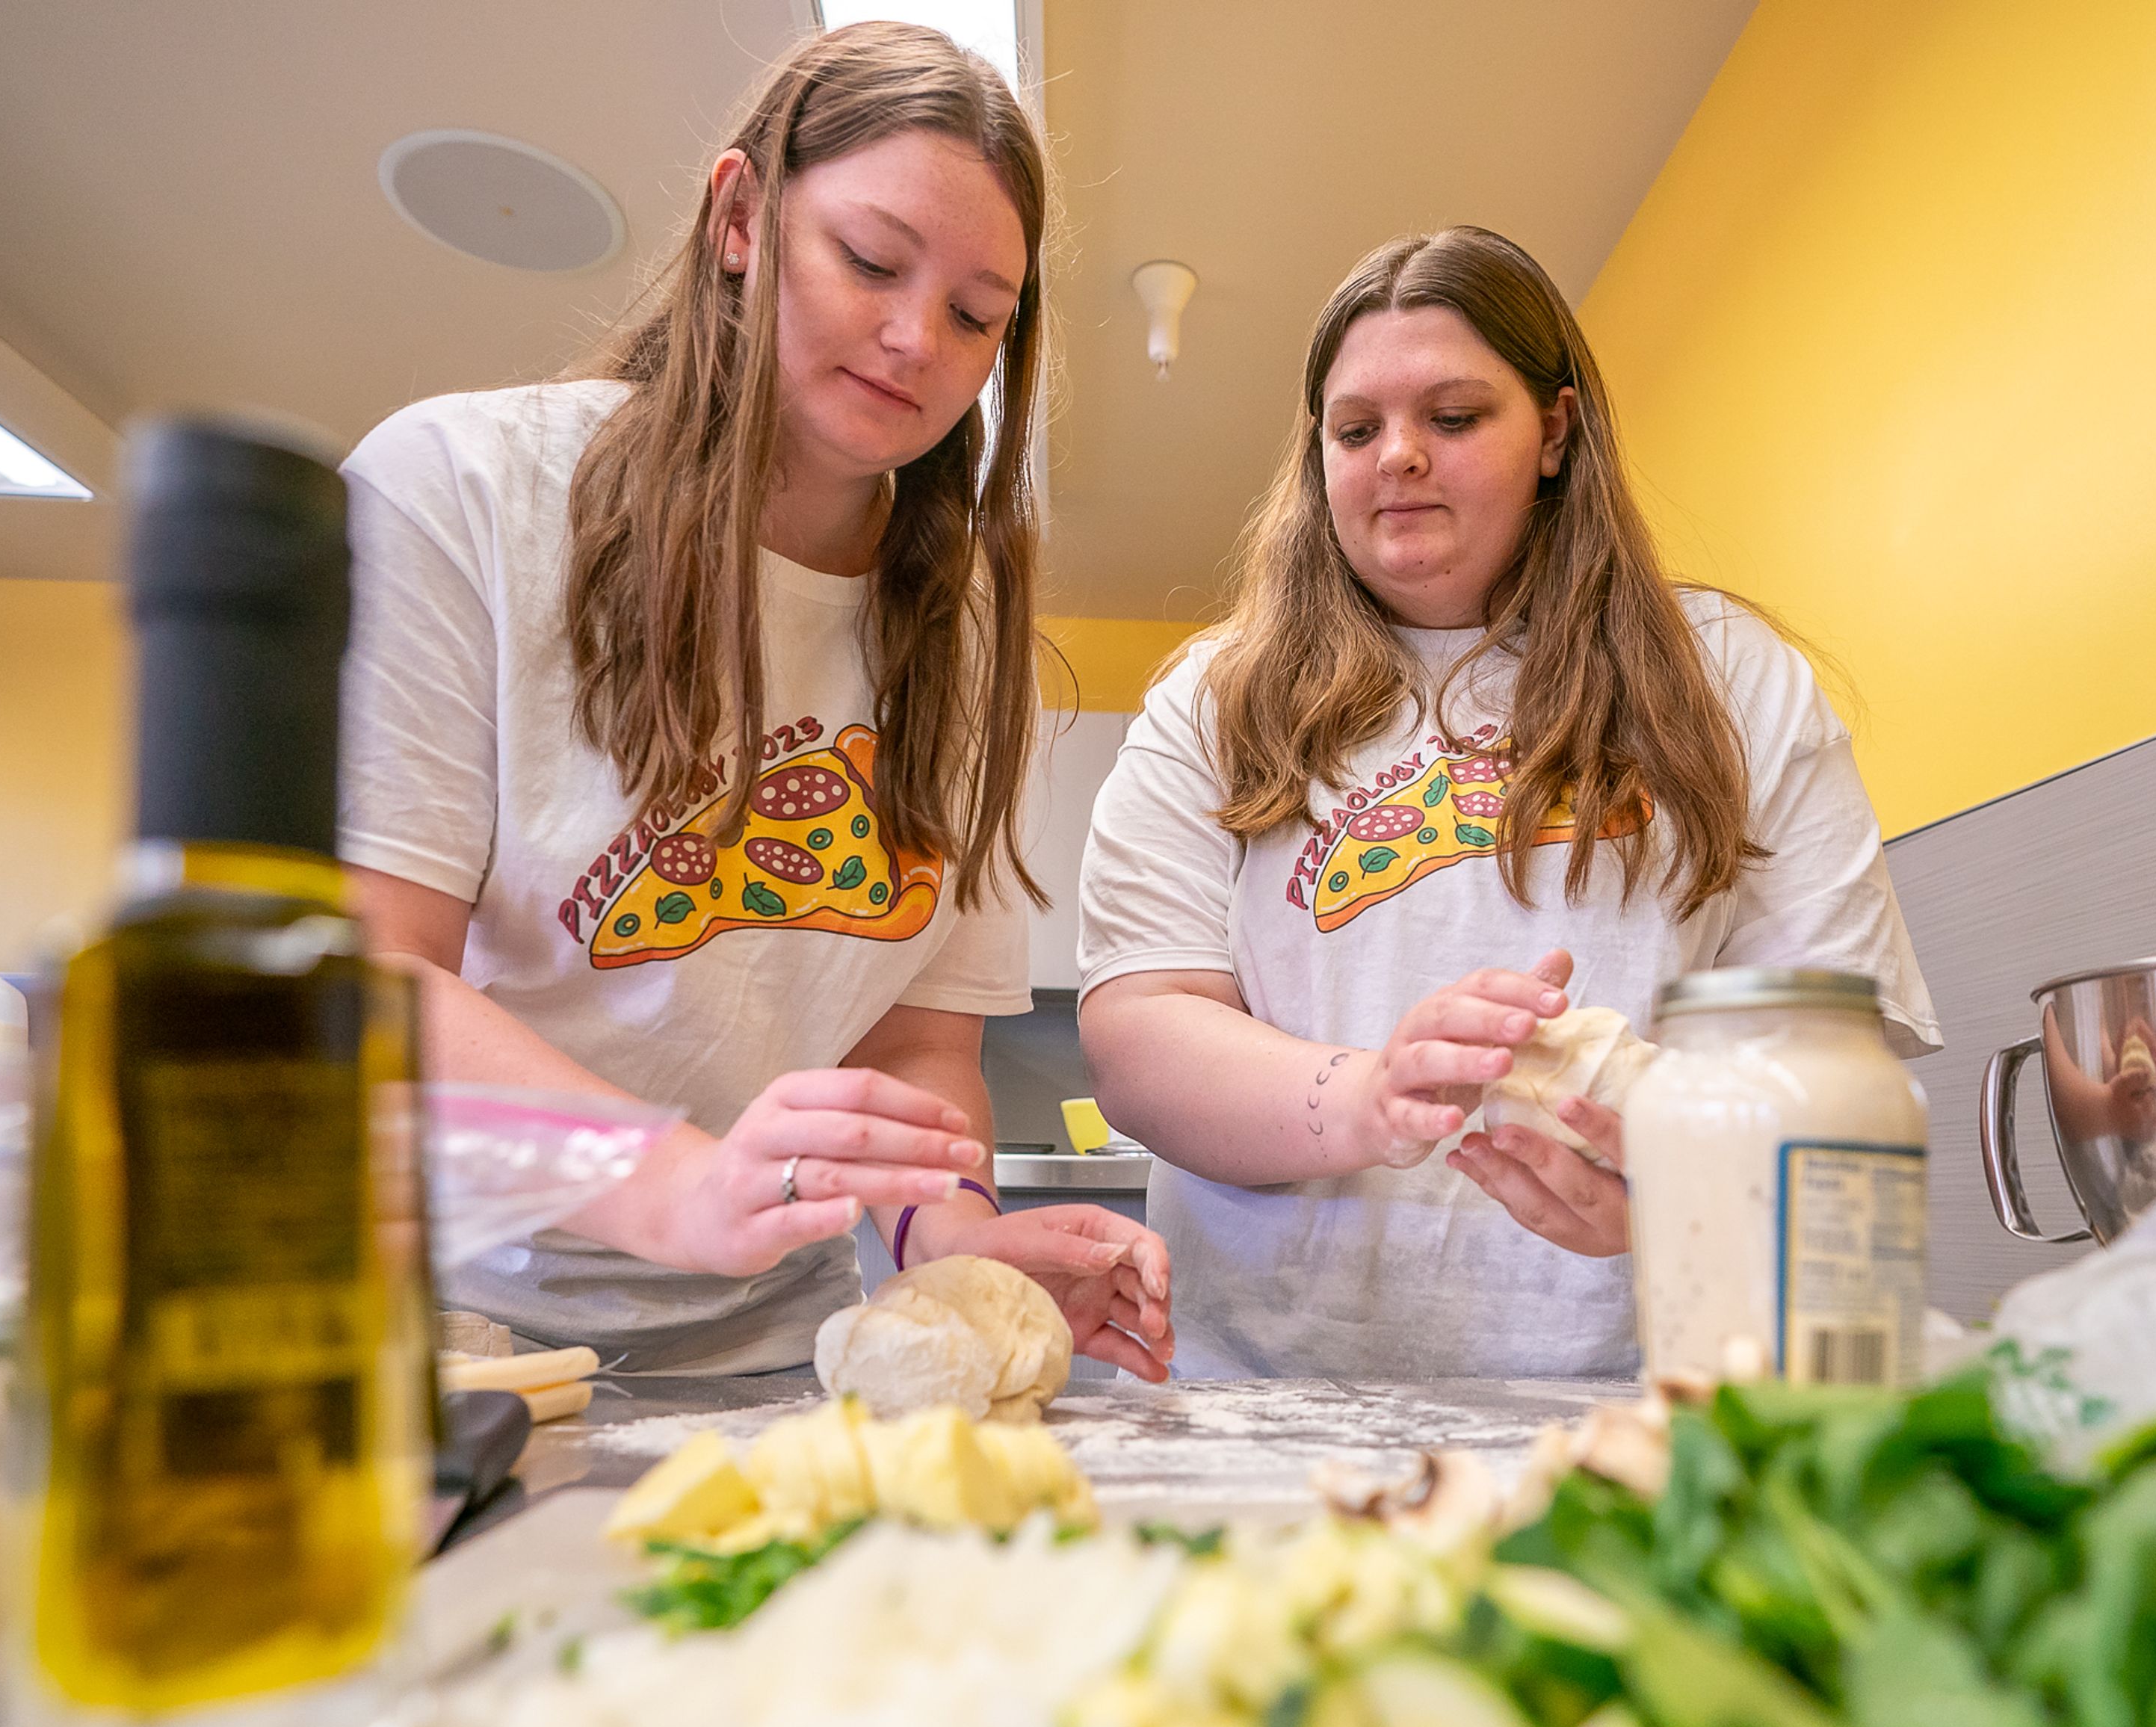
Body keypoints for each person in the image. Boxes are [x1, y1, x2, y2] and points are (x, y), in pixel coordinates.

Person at [336, 22, 1170, 1377]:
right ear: (740, 217)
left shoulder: (961, 636)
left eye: (975, 315)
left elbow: (913, 1048)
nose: (915, 341)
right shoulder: (462, 495)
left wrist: (950, 1239)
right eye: (870, 262)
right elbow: (378, 976)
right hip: (446, 1338)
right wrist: (677, 1185)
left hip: (769, 1353)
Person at [1075, 226, 1937, 1380]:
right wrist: (1372, 1093)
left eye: (1454, 417)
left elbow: (1834, 1053)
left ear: (1557, 432)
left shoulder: (1730, 679)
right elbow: (1140, 1040)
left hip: (1632, 1390)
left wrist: (1677, 1192)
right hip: (1269, 1400)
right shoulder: (1214, 700)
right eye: (1357, 429)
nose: (1399, 458)